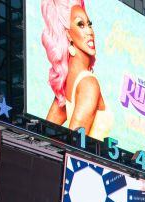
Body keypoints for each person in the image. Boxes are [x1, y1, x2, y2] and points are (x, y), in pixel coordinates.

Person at [41, 0, 112, 139]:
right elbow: (74, 145)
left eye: (89, 25)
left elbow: (42, 135)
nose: (90, 31)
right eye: (81, 25)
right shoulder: (88, 84)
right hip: (88, 161)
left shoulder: (66, 87)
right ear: (68, 34)